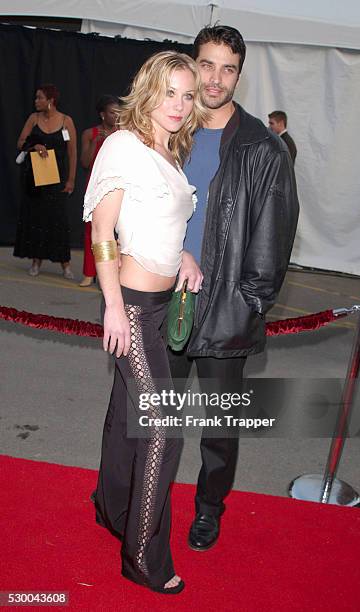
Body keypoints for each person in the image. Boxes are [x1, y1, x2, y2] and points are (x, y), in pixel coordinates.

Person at [167, 26, 299, 552]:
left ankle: (208, 509)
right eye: (206, 64)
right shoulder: (169, 131)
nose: (214, 78)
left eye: (227, 68)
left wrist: (250, 303)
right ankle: (150, 497)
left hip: (227, 310)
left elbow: (275, 238)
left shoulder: (264, 149)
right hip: (164, 299)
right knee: (158, 415)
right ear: (192, 65)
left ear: (239, 75)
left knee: (220, 428)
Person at [83, 51, 208, 594]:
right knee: (164, 426)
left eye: (187, 94)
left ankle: (112, 508)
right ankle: (142, 555)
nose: (179, 105)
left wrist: (182, 256)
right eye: (170, 92)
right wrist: (112, 305)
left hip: (158, 307)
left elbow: (154, 222)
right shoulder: (124, 145)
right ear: (148, 91)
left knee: (126, 416)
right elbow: (104, 232)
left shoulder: (169, 150)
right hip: (130, 305)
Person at [13, 84, 77, 278]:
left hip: (57, 179)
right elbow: (20, 142)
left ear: (50, 100)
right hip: (35, 178)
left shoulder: (66, 121)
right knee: (36, 218)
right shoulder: (34, 118)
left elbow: (72, 153)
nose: (36, 101)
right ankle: (36, 261)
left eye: (39, 98)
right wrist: (35, 145)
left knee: (57, 220)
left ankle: (65, 264)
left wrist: (71, 180)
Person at [79, 94, 120, 287]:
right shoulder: (90, 133)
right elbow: (85, 163)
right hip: (95, 186)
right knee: (92, 230)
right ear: (103, 115)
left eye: (119, 113)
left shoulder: (123, 133)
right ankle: (89, 272)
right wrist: (97, 143)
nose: (117, 116)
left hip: (118, 186)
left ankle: (115, 274)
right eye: (113, 113)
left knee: (118, 232)